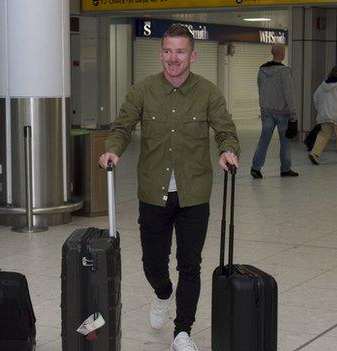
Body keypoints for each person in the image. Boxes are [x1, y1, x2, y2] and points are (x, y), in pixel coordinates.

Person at [99, 24, 239, 351]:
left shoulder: (207, 92)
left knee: (190, 264)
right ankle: (163, 293)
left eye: (180, 51)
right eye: (168, 51)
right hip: (153, 192)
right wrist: (113, 149)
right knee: (153, 263)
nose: (173, 58)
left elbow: (225, 129)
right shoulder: (142, 91)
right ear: (160, 54)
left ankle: (182, 332)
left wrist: (228, 149)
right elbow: (122, 126)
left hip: (194, 194)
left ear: (193, 55)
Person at [250, 44, 299, 179]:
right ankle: (285, 169)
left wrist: (263, 106)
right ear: (282, 54)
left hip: (266, 111)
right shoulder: (284, 71)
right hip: (282, 112)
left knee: (264, 140)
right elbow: (288, 93)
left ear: (272, 52)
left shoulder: (262, 69)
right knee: (285, 141)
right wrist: (293, 112)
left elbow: (260, 87)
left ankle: (256, 167)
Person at [309, 64, 337, 165]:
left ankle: (315, 154)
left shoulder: (323, 84)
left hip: (325, 115)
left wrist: (320, 110)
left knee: (323, 135)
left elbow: (316, 98)